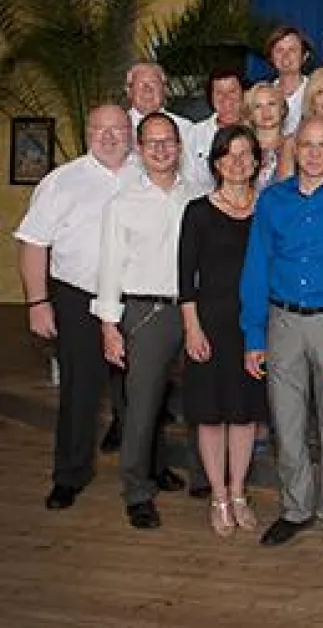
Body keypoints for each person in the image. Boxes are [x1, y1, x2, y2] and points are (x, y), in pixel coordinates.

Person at [241, 117, 323, 551]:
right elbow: (256, 268)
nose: (315, 153)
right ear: (293, 150)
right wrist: (254, 336)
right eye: (307, 145)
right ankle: (296, 508)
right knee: (288, 420)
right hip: (282, 323)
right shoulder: (272, 201)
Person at [15, 105, 137, 511]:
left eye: (117, 128)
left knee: (142, 390)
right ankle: (69, 475)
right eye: (100, 129)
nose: (108, 136)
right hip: (77, 298)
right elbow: (33, 243)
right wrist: (37, 302)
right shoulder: (61, 181)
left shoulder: (148, 173)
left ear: (130, 131)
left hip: (137, 300)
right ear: (88, 132)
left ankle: (150, 470)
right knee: (79, 391)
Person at [93, 112, 203, 529]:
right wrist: (109, 327)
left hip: (194, 311)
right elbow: (108, 268)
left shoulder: (198, 195)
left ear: (179, 147)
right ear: (139, 150)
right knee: (141, 407)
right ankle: (137, 492)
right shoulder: (122, 205)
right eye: (151, 142)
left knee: (198, 399)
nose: (160, 149)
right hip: (146, 312)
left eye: (168, 141)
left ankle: (200, 478)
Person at [178, 125, 270, 537]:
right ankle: (217, 496)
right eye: (229, 155)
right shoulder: (197, 211)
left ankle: (238, 493)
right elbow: (185, 279)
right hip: (210, 325)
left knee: (245, 414)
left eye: (246, 154)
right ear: (216, 162)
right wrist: (192, 328)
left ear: (256, 161)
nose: (238, 162)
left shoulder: (267, 208)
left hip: (253, 326)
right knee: (212, 416)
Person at [190, 69, 245, 191]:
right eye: (219, 93)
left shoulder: (258, 130)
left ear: (244, 93)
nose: (226, 98)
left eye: (232, 91)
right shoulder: (194, 134)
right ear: (210, 97)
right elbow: (189, 180)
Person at [243, 82, 292, 189]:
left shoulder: (297, 145)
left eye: (271, 104)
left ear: (282, 109)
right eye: (258, 106)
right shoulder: (242, 150)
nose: (266, 111)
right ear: (250, 114)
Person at [264, 26, 311, 135]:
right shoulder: (263, 94)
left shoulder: (316, 91)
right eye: (279, 50)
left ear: (305, 56)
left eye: (292, 50)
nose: (285, 56)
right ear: (271, 57)